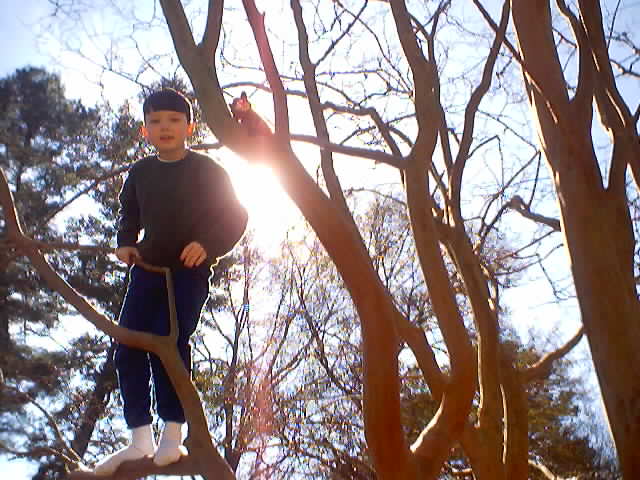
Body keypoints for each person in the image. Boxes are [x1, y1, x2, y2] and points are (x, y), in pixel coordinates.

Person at [94, 88, 248, 475]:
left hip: (186, 271)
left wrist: (207, 244)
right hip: (147, 269)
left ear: (189, 128)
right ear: (145, 130)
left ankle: (173, 433)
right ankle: (139, 439)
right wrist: (126, 242)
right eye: (156, 121)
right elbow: (128, 211)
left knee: (169, 341)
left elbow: (235, 215)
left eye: (174, 121)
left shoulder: (207, 170)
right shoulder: (140, 172)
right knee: (127, 344)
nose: (165, 127)